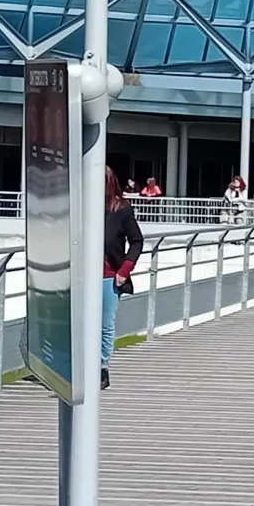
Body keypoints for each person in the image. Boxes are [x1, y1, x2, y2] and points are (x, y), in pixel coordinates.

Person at [101, 166, 144, 391]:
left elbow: (137, 241)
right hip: (80, 278)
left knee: (105, 324)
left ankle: (101, 367)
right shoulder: (80, 206)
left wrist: (124, 271)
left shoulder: (121, 209)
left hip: (109, 277)